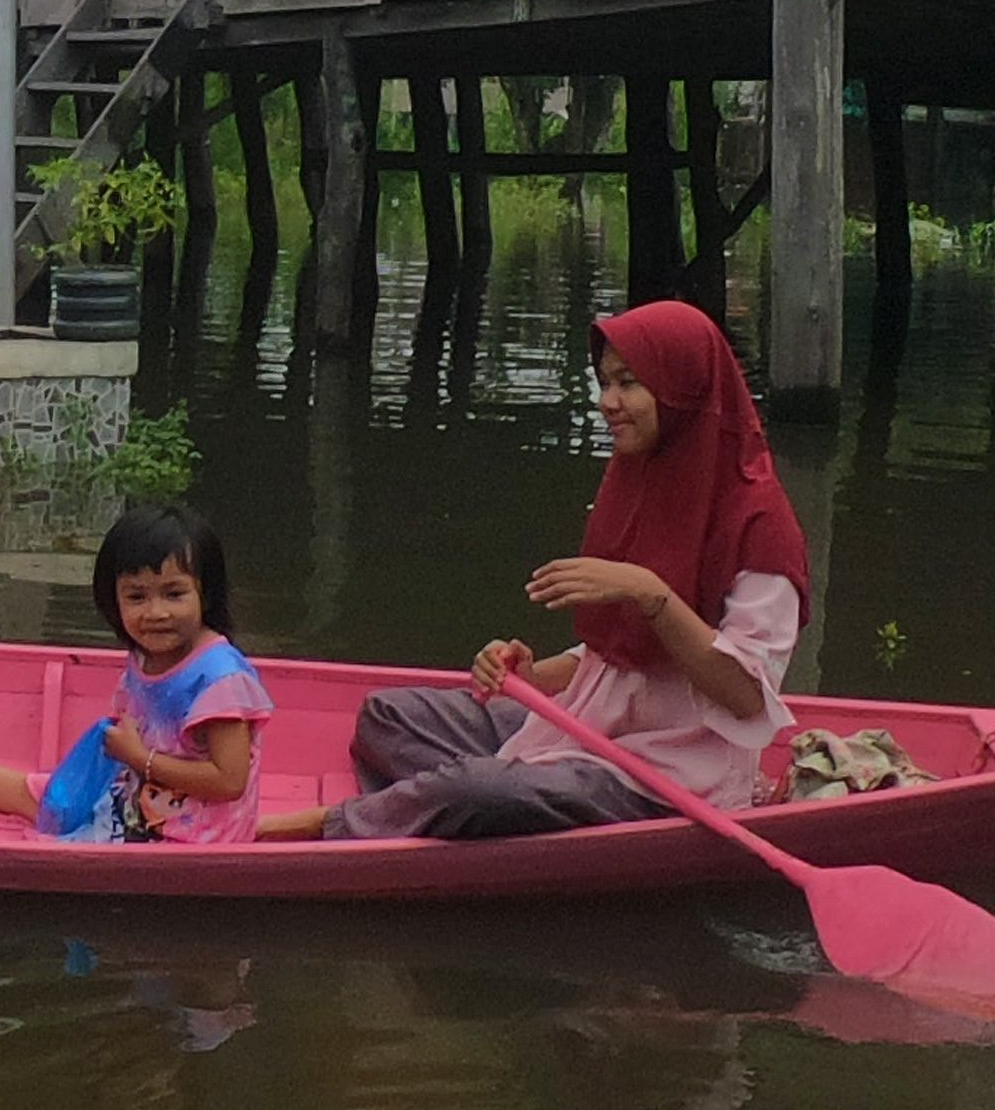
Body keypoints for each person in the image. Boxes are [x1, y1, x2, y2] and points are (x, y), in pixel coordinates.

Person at [267, 301, 810, 842]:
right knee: (387, 716)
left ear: (682, 389)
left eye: (629, 383)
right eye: (604, 382)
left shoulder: (760, 524)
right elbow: (620, 658)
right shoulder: (642, 479)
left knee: (479, 792)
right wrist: (530, 678)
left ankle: (355, 821)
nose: (608, 403)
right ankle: (466, 800)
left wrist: (651, 594)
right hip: (587, 727)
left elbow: (745, 694)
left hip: (667, 779)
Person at [0, 508, 274, 844]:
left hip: (190, 839)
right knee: (46, 795)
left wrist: (139, 759)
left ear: (206, 593)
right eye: (136, 597)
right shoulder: (149, 654)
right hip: (144, 802)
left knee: (51, 830)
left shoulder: (218, 679)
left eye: (174, 594)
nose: (156, 613)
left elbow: (229, 781)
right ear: (112, 601)